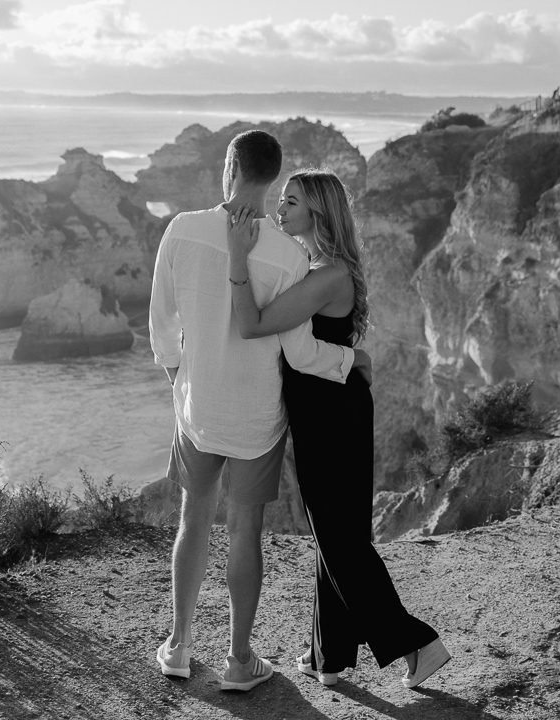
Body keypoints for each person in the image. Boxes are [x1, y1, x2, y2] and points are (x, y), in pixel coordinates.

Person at [148, 131, 369, 692]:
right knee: (244, 530)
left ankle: (178, 646)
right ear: (273, 178)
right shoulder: (290, 255)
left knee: (193, 519)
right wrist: (351, 360)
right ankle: (238, 660)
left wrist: (180, 378)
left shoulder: (181, 229)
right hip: (256, 417)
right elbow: (299, 352)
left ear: (231, 167)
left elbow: (161, 325)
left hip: (198, 409)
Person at [225, 168, 451, 689]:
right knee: (337, 533)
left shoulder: (325, 274)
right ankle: (328, 656)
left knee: (337, 537)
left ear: (318, 212)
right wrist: (354, 359)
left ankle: (416, 643)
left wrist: (237, 259)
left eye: (292, 202)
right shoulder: (321, 266)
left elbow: (254, 325)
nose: (281, 210)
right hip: (330, 408)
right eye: (282, 200)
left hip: (329, 413)